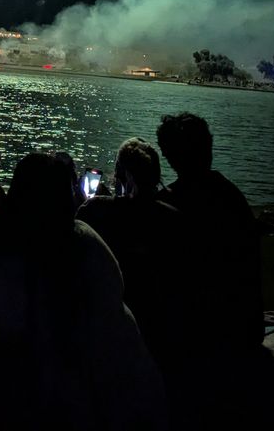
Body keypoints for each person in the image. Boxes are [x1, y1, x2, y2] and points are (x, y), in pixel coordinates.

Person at [0, 152, 167, 431]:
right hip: (134, 395)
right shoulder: (85, 239)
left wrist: (5, 218)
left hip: (78, 403)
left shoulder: (12, 249)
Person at [155, 113, 264, 354]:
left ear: (171, 155)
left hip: (210, 333)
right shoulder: (231, 195)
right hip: (247, 327)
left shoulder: (172, 204)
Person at [77, 138, 190, 366]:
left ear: (122, 175)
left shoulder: (96, 211)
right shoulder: (174, 220)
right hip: (161, 331)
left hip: (105, 327)